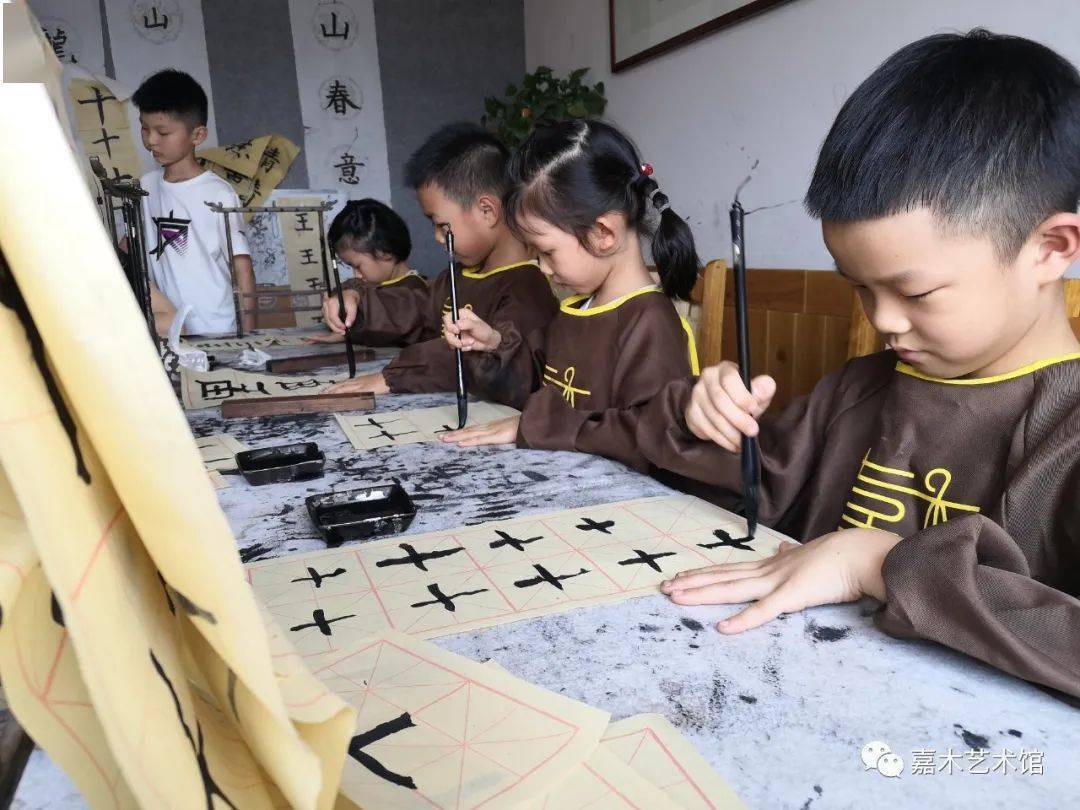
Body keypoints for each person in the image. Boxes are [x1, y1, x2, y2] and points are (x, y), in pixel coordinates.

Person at [639, 31, 1080, 699]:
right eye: (859, 287)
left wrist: (882, 562)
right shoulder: (857, 390)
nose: (883, 320)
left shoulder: (1065, 433)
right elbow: (736, 491)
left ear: (1050, 248)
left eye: (916, 291)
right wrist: (703, 410)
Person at [440, 119, 700, 474]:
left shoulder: (652, 323)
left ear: (602, 232)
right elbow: (542, 386)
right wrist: (496, 343)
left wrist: (539, 427)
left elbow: (652, 437)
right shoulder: (577, 307)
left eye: (546, 251)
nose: (542, 268)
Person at [326, 123, 557, 395]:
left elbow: (492, 363)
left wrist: (396, 376)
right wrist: (356, 300)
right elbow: (414, 307)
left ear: (487, 211)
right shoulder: (457, 276)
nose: (437, 237)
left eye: (440, 225)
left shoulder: (528, 288)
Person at [132, 69, 253, 335]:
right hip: (172, 331)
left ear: (197, 136)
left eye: (162, 132)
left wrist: (248, 339)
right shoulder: (145, 187)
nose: (151, 140)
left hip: (218, 329)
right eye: (144, 128)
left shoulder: (219, 194)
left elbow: (241, 268)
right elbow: (130, 246)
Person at [308, 198, 431, 347]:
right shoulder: (375, 283)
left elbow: (383, 313)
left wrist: (353, 298)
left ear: (384, 252)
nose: (357, 274)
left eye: (357, 265)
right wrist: (348, 296)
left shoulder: (416, 292)